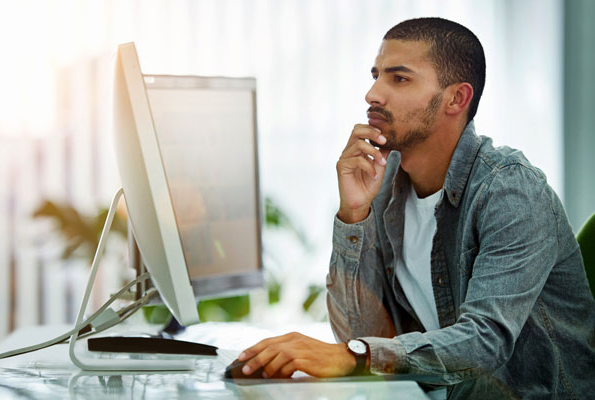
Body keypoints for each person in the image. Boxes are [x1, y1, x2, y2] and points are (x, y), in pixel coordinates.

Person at [236, 17, 595, 399]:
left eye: (399, 78)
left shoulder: (510, 189)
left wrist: (356, 355)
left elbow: (486, 340)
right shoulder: (386, 181)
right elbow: (360, 334)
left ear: (456, 99)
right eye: (375, 75)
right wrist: (353, 214)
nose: (373, 94)